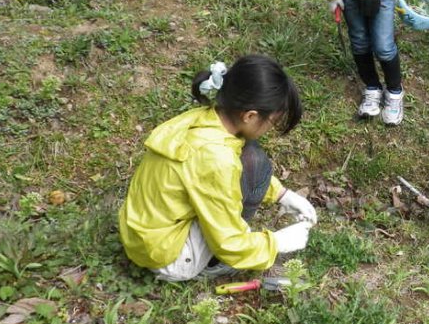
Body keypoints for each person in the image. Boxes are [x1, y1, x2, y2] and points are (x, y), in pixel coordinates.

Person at [118, 55, 318, 282]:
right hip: (167, 256)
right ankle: (213, 264)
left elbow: (222, 166)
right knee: (254, 160)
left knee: (249, 154)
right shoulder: (216, 159)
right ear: (250, 115)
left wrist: (281, 194)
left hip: (142, 234)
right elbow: (229, 242)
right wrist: (277, 243)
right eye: (272, 122)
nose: (269, 130)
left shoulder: (204, 120)